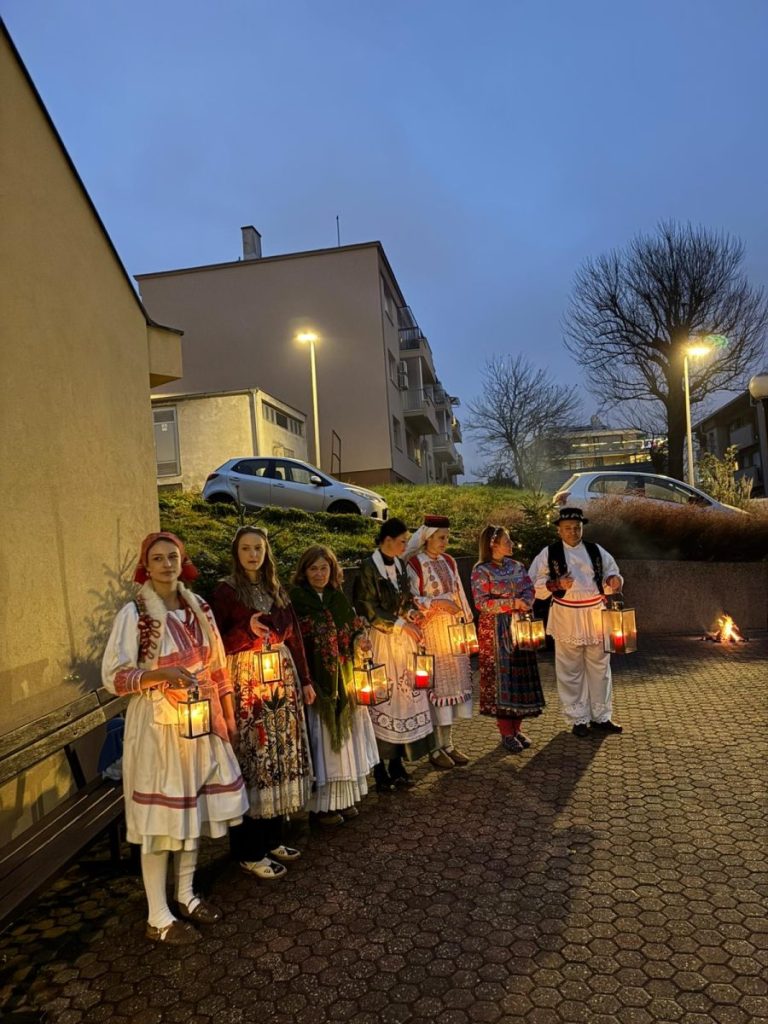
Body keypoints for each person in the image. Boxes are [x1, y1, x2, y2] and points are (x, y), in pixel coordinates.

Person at [102, 532, 247, 945]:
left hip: (199, 722)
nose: (166, 564)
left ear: (182, 561)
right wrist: (158, 675)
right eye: (158, 558)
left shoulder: (197, 606)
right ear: (146, 566)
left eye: (173, 556)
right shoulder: (135, 615)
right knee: (160, 823)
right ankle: (157, 915)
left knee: (191, 813)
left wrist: (228, 715)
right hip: (158, 727)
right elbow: (113, 676)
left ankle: (185, 894)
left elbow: (217, 665)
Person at [211, 526, 315, 880]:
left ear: (266, 551)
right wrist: (246, 632)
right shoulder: (225, 592)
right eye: (246, 548)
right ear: (236, 552)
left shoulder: (276, 588)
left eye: (258, 548)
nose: (253, 554)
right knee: (255, 759)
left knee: (278, 759)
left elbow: (295, 635)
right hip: (247, 684)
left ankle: (273, 839)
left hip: (281, 681)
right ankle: (247, 850)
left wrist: (305, 680)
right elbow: (215, 644)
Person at [290, 545, 379, 824]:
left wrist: (359, 641)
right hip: (316, 683)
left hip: (343, 677)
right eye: (313, 568)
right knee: (322, 743)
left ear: (332, 570)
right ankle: (321, 807)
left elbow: (352, 631)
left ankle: (343, 800)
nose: (319, 573)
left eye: (324, 568)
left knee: (343, 743)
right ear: (304, 572)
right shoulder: (295, 600)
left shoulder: (337, 598)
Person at [353, 518, 436, 790]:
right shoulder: (368, 567)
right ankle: (379, 766)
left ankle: (397, 761)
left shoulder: (400, 565)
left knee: (403, 700)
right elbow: (367, 606)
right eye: (402, 541)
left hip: (402, 642)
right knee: (382, 699)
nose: (405, 546)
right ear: (386, 540)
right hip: (381, 641)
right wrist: (400, 624)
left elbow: (406, 597)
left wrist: (411, 612)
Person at [528, 507, 624, 737]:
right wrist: (556, 585)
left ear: (582, 528)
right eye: (568, 528)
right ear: (559, 530)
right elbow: (532, 583)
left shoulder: (595, 550)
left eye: (577, 527)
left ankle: (601, 716)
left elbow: (612, 571)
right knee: (570, 669)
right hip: (567, 615)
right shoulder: (548, 553)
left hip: (595, 613)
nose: (573, 532)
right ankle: (578, 719)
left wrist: (614, 580)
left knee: (600, 667)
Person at [405, 515, 473, 769]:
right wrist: (436, 603)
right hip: (430, 630)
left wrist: (468, 622)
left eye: (447, 537)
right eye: (441, 537)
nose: (445, 542)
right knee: (435, 688)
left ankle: (449, 743)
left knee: (452, 688)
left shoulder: (450, 561)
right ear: (427, 537)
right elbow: (411, 598)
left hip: (452, 631)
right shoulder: (415, 563)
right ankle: (435, 747)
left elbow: (459, 593)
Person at [471, 525, 546, 752]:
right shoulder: (482, 571)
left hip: (520, 626)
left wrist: (525, 602)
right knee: (503, 679)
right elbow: (481, 603)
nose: (512, 545)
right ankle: (505, 731)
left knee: (521, 678)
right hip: (496, 630)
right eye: (507, 541)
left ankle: (517, 728)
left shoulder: (517, 566)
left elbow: (529, 589)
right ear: (493, 544)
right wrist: (512, 603)